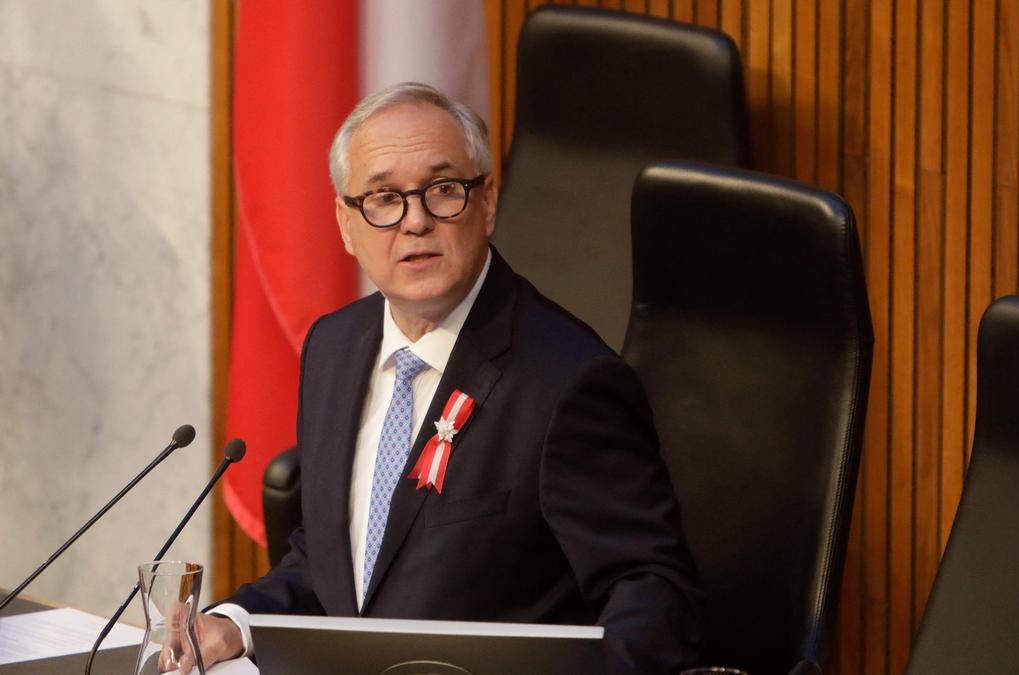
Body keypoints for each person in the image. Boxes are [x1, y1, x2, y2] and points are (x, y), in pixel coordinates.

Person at [185, 82, 703, 674]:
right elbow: (336, 563)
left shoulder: (570, 383)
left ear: (487, 203)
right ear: (345, 223)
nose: (416, 221)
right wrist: (234, 623)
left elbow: (653, 592)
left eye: (443, 190)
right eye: (382, 197)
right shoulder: (333, 346)